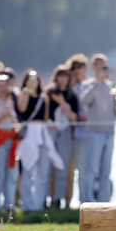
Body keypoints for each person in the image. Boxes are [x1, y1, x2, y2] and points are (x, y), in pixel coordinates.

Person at [17, 69, 61, 211]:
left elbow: (45, 117)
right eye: (30, 79)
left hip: (42, 134)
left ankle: (38, 204)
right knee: (28, 170)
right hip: (29, 135)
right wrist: (26, 92)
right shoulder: (23, 94)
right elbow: (22, 109)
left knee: (43, 172)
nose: (33, 81)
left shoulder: (44, 97)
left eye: (35, 79)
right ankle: (27, 206)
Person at [82, 54, 116, 202]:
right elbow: (85, 100)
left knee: (106, 171)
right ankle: (88, 201)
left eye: (102, 65)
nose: (99, 68)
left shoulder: (112, 87)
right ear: (93, 67)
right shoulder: (88, 84)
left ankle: (104, 203)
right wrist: (97, 83)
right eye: (96, 65)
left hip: (110, 132)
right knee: (91, 169)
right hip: (94, 133)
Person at [46, 65, 79, 209]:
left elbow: (74, 118)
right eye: (60, 76)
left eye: (65, 76)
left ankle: (59, 199)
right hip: (50, 132)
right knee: (48, 168)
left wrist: (62, 102)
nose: (62, 79)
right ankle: (48, 198)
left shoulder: (72, 97)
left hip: (65, 133)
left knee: (62, 167)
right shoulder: (48, 93)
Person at [67, 54, 90, 204]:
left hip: (92, 131)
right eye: (73, 68)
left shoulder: (91, 84)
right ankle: (81, 201)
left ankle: (90, 200)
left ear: (85, 68)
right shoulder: (72, 88)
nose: (77, 70)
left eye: (79, 67)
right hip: (77, 132)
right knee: (78, 169)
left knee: (90, 170)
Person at [0, 75, 18, 209]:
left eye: (5, 86)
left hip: (11, 139)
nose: (3, 89)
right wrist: (3, 115)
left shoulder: (11, 102)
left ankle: (9, 204)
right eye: (0, 86)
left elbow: (15, 121)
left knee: (11, 174)